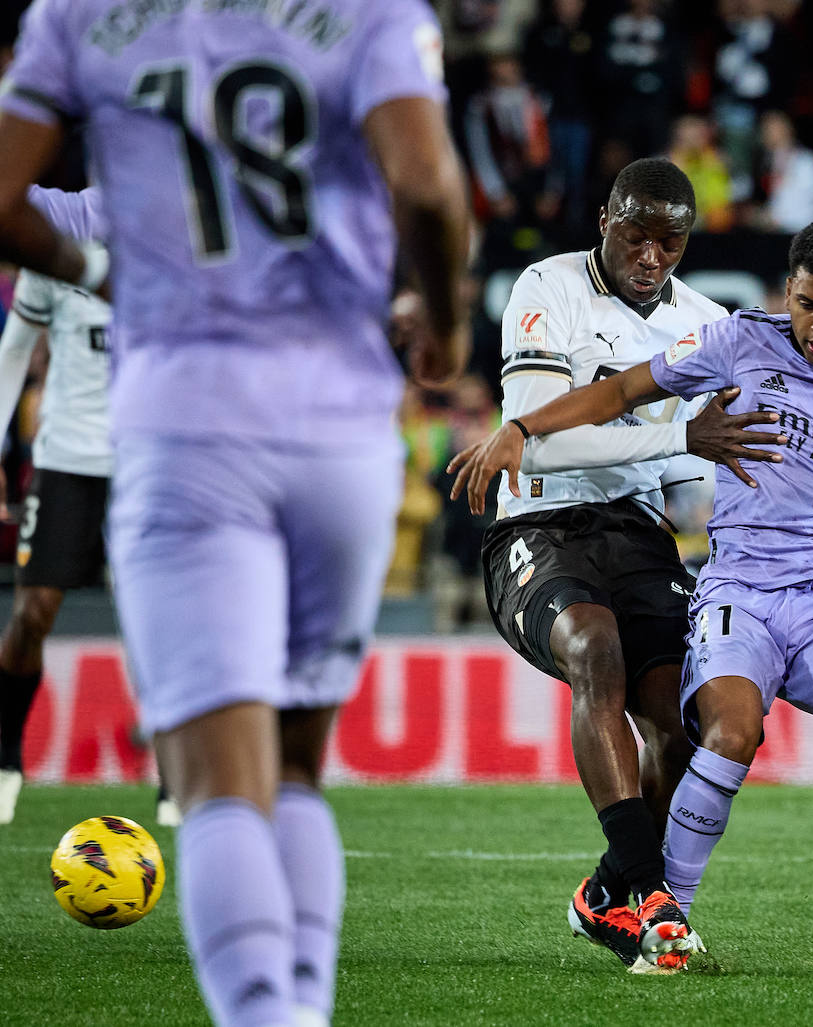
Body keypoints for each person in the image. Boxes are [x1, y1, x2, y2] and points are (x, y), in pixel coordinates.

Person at [0, 4, 471, 1025]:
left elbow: (5, 199)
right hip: (340, 425)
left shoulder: (78, 18)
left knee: (219, 785)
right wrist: (446, 319)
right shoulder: (373, 12)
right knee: (298, 768)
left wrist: (102, 269)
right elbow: (431, 187)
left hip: (186, 422)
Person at [451, 218, 813, 975]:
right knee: (728, 732)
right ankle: (669, 914)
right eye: (805, 304)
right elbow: (624, 390)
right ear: (788, 293)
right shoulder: (739, 340)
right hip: (741, 590)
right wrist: (523, 427)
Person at [447, 157, 776, 974]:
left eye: (672, 240)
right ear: (604, 221)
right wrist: (681, 438)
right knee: (596, 646)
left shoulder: (705, 322)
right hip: (536, 521)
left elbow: (694, 471)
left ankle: (608, 890)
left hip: (637, 531)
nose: (653, 255)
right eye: (638, 234)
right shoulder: (544, 287)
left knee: (681, 717)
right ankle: (655, 890)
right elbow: (540, 433)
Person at [0, 186, 114, 825]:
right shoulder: (62, 236)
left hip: (152, 463)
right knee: (33, 611)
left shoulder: (189, 238)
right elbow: (16, 347)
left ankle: (177, 782)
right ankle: (6, 753)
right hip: (68, 457)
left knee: (166, 627)